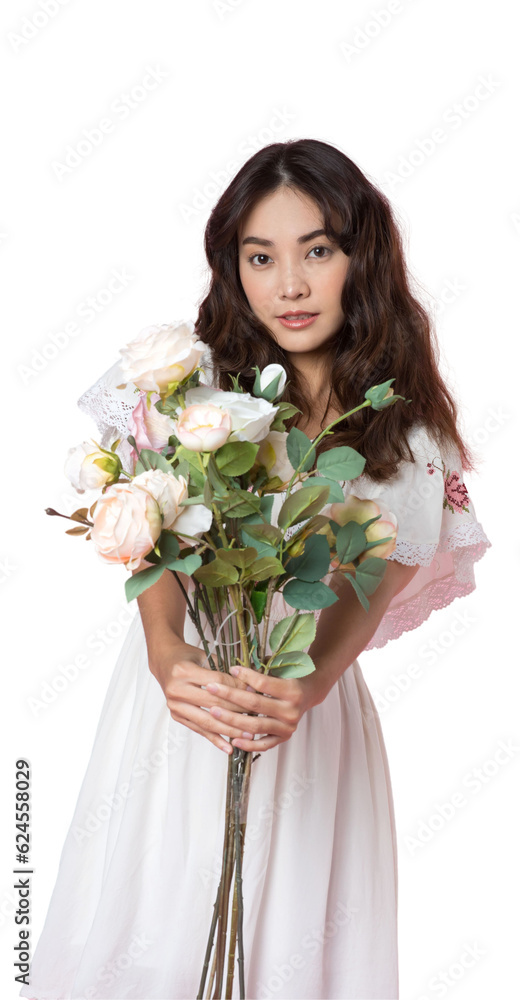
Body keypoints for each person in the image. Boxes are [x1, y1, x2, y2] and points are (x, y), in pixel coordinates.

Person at [21, 139, 491, 1000]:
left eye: (318, 250)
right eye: (260, 257)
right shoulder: (184, 388)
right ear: (232, 266)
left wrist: (301, 690)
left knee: (285, 950)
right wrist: (168, 652)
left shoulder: (405, 434)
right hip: (177, 701)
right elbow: (152, 531)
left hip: (301, 707)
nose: (291, 285)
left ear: (362, 256)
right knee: (150, 921)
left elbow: (368, 590)